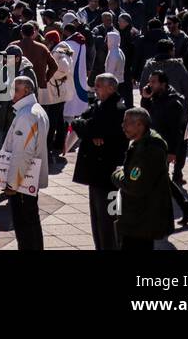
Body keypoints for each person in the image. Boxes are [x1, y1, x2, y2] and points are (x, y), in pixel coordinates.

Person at [70, 73, 127, 249]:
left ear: (111, 87)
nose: (95, 89)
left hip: (109, 175)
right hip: (96, 174)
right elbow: (79, 122)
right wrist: (90, 132)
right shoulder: (99, 104)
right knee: (97, 219)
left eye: (98, 85)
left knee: (109, 219)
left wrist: (90, 130)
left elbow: (93, 126)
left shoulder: (117, 108)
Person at [113, 107, 174, 250]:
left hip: (141, 219)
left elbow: (134, 185)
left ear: (140, 125)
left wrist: (117, 174)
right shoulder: (142, 143)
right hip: (138, 217)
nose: (123, 126)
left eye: (127, 122)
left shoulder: (149, 149)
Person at [142, 70, 188, 224]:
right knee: (162, 178)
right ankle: (186, 208)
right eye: (150, 81)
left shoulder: (174, 102)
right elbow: (146, 114)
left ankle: (170, 211)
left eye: (153, 82)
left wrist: (173, 152)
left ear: (163, 84)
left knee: (159, 178)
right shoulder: (156, 97)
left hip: (164, 146)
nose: (150, 85)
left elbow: (176, 131)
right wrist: (145, 98)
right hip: (153, 142)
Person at [2, 75, 50, 250]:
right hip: (29, 178)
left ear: (27, 91)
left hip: (24, 181)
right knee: (31, 221)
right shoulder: (35, 109)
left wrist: (13, 183)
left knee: (25, 225)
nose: (12, 93)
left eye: (16, 89)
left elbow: (22, 154)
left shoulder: (26, 115)